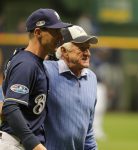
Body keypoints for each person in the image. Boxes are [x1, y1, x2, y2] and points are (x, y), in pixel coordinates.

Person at [0, 8, 71, 150]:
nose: (60, 37)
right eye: (55, 32)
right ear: (38, 32)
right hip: (14, 143)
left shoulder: (35, 62)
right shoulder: (26, 64)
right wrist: (33, 143)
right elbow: (11, 107)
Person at [44, 25, 98, 150]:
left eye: (88, 48)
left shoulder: (91, 78)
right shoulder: (46, 70)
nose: (87, 53)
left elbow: (88, 131)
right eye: (82, 48)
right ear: (64, 51)